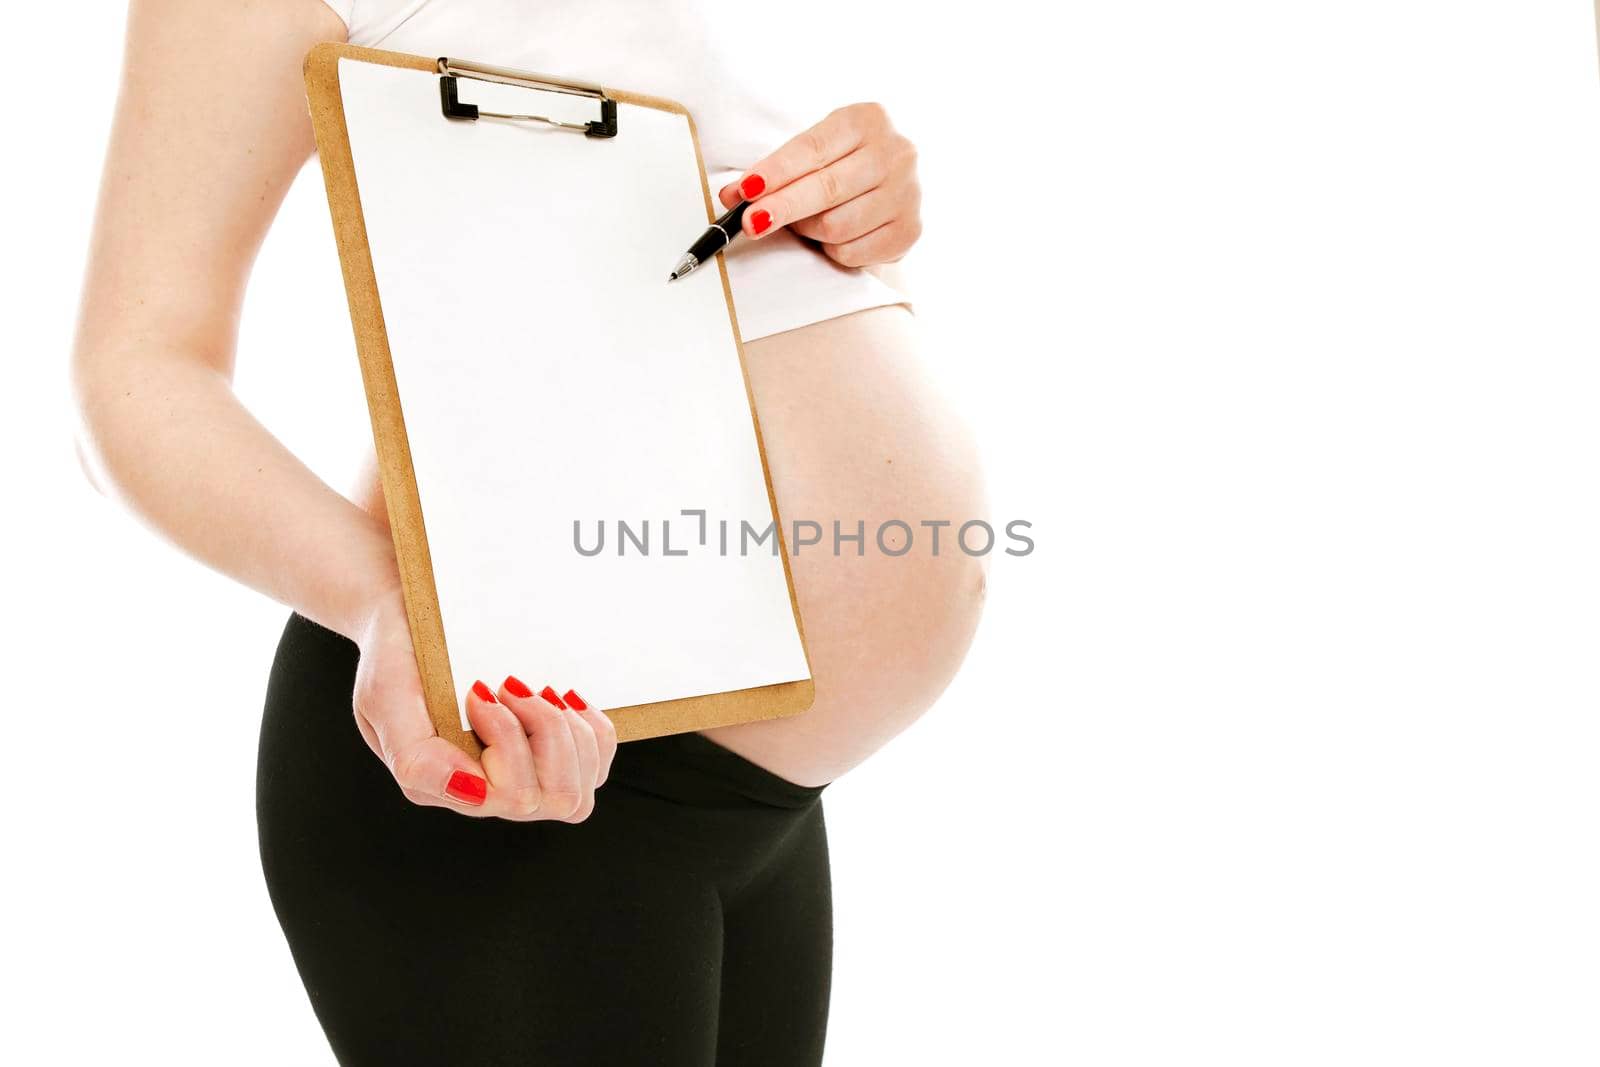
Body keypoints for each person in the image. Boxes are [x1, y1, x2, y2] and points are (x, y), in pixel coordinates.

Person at [70, 1, 987, 1063]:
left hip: (755, 794)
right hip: (505, 756)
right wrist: (388, 609)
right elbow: (129, 373)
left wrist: (867, 203)